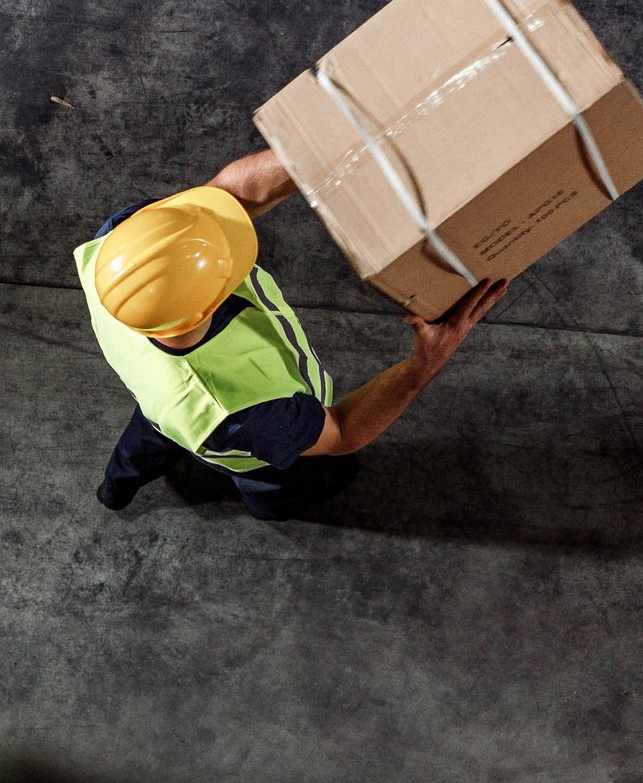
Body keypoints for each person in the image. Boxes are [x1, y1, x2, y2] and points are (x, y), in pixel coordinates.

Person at [76, 146, 507, 519]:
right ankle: (270, 507)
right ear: (208, 307)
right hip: (232, 438)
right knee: (279, 484)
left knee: (150, 433)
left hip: (158, 399)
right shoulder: (244, 413)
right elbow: (341, 432)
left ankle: (115, 489)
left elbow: (228, 194)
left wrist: (316, 149)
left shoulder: (121, 247)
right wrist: (424, 364)